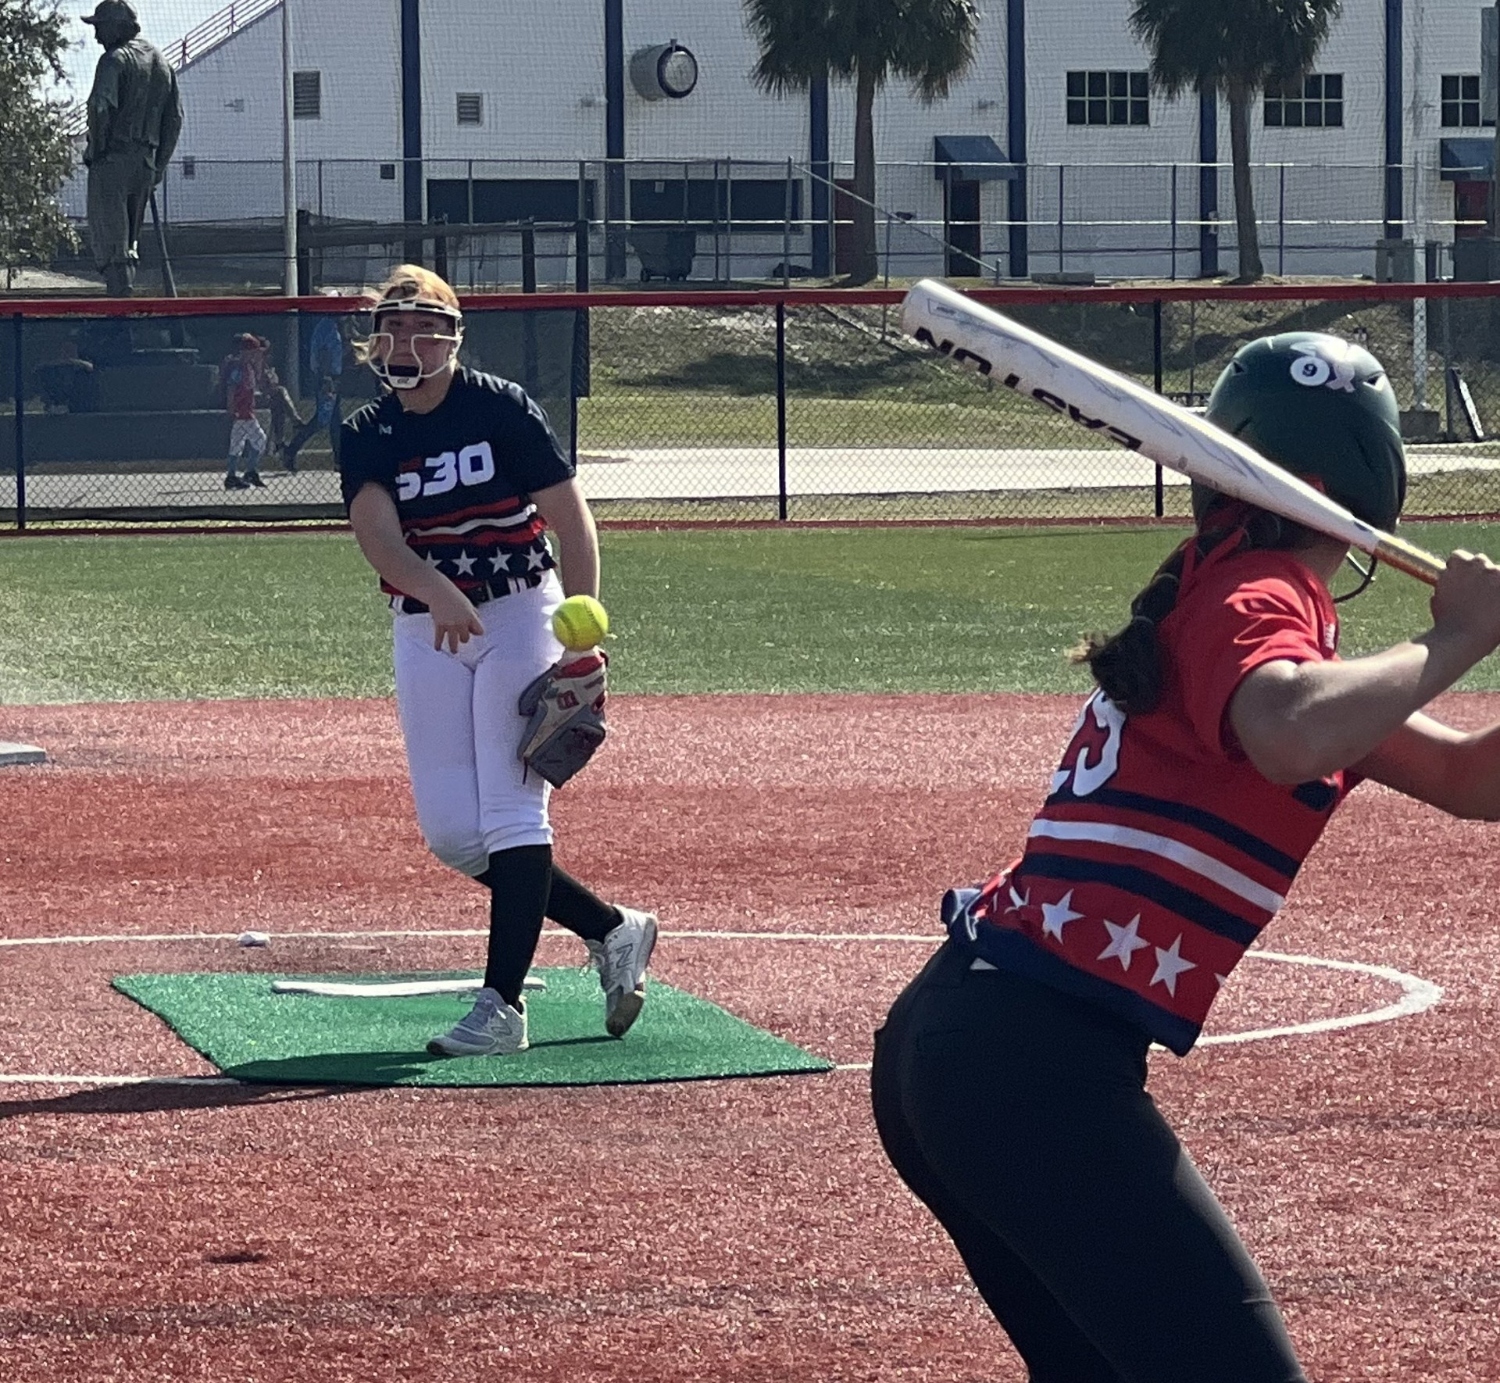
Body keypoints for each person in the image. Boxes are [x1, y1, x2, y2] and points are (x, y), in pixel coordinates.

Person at [870, 332, 1500, 1383]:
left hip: (980, 1049)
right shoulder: (1260, 599)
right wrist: (1459, 638)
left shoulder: (1244, 609)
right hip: (1026, 1062)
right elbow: (1293, 732)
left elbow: (1472, 780)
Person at [338, 264, 657, 1057]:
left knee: (514, 814)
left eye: (423, 326)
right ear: (375, 340)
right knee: (454, 833)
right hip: (428, 623)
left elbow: (571, 522)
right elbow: (377, 533)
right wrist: (434, 588)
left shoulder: (499, 406)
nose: (407, 341)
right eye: (394, 327)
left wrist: (580, 638)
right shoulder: (368, 428)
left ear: (453, 336)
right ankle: (613, 929)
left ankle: (502, 1007)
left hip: (519, 609)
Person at [81, 0, 182, 298]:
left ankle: (119, 313)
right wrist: (158, 165)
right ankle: (124, 300)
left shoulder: (114, 59)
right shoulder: (162, 62)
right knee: (129, 243)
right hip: (145, 164)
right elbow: (174, 120)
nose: (97, 37)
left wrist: (96, 150)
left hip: (113, 160)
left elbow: (100, 106)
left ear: (116, 26)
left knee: (111, 241)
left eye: (100, 27)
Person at [218, 333, 269, 490]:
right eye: (252, 352)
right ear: (244, 352)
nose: (255, 355)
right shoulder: (239, 367)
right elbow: (232, 388)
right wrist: (231, 407)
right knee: (259, 440)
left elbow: (255, 385)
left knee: (240, 443)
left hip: (247, 410)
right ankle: (245, 472)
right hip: (242, 412)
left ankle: (235, 475)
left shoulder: (248, 368)